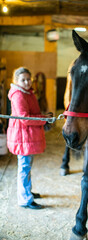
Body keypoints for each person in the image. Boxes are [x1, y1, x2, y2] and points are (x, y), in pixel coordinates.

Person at [7, 67, 53, 210]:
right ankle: (25, 200)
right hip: (23, 136)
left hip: (27, 135)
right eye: (23, 80)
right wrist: (45, 119)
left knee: (26, 166)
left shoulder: (27, 92)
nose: (27, 82)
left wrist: (45, 117)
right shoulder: (18, 95)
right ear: (16, 81)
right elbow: (25, 119)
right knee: (24, 167)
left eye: (28, 79)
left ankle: (26, 192)